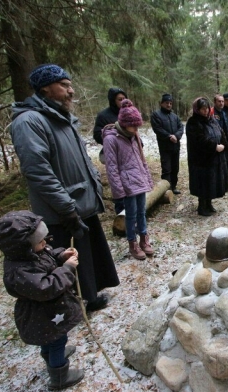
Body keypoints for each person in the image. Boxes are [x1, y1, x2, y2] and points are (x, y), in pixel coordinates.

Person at [11, 64, 119, 312]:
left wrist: (94, 184)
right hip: (62, 210)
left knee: (87, 254)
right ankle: (66, 309)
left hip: (80, 202)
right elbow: (38, 172)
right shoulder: (29, 121)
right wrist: (66, 208)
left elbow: (80, 157)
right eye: (65, 86)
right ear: (46, 89)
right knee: (65, 256)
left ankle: (89, 297)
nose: (71, 91)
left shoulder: (63, 117)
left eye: (70, 85)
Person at [0, 210, 84, 390]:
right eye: (40, 241)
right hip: (45, 313)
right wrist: (67, 269)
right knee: (56, 338)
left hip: (47, 313)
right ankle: (59, 374)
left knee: (49, 338)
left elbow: (48, 258)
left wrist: (61, 256)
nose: (45, 243)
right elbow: (46, 287)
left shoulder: (30, 254)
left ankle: (51, 356)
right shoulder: (20, 271)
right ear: (24, 245)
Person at [102, 100, 155, 260]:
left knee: (141, 213)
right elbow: (112, 168)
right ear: (124, 124)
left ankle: (144, 240)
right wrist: (118, 190)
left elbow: (141, 159)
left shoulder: (134, 136)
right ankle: (133, 244)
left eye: (137, 126)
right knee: (130, 215)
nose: (136, 130)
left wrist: (147, 179)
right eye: (133, 126)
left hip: (139, 181)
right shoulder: (111, 139)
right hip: (127, 185)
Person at [186, 97, 228, 216]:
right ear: (197, 109)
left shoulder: (211, 120)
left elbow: (221, 132)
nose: (205, 111)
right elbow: (199, 139)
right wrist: (214, 146)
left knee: (212, 181)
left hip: (213, 158)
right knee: (202, 181)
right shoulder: (193, 122)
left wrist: (224, 144)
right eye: (202, 109)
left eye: (207, 108)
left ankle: (209, 203)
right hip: (200, 159)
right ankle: (202, 206)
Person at [92, 87, 128, 214]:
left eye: (124, 98)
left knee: (130, 180)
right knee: (117, 181)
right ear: (113, 100)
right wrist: (112, 138)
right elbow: (97, 134)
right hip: (114, 154)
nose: (123, 101)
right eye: (120, 99)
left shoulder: (128, 113)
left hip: (129, 155)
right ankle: (121, 210)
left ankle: (133, 209)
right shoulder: (104, 115)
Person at [151, 93, 184, 195]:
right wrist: (169, 136)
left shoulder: (174, 116)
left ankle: (173, 186)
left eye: (170, 103)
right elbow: (157, 129)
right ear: (161, 103)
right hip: (165, 147)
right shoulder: (156, 115)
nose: (169, 105)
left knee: (175, 168)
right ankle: (165, 189)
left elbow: (181, 127)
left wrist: (177, 136)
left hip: (175, 146)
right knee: (166, 169)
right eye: (166, 103)